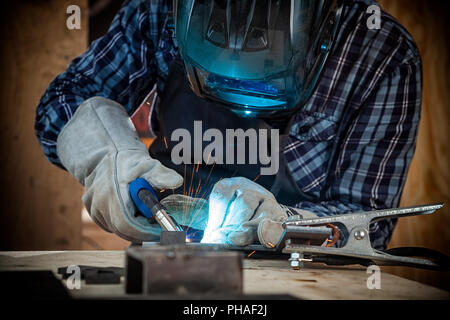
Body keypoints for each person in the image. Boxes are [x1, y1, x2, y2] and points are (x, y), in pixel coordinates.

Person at [35, 0, 422, 249]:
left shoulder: (380, 53)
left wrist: (286, 226)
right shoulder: (157, 10)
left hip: (307, 281)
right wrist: (108, 156)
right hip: (166, 266)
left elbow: (368, 226)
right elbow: (61, 102)